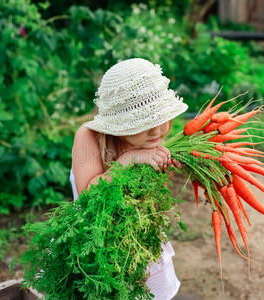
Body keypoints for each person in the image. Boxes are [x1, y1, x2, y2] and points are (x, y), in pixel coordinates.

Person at [70, 58, 188, 299]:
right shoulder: (89, 137)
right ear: (120, 123)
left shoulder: (151, 142)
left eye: (159, 119)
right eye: (144, 123)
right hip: (95, 250)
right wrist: (128, 161)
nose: (156, 131)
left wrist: (164, 172)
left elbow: (149, 208)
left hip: (140, 249)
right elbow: (88, 196)